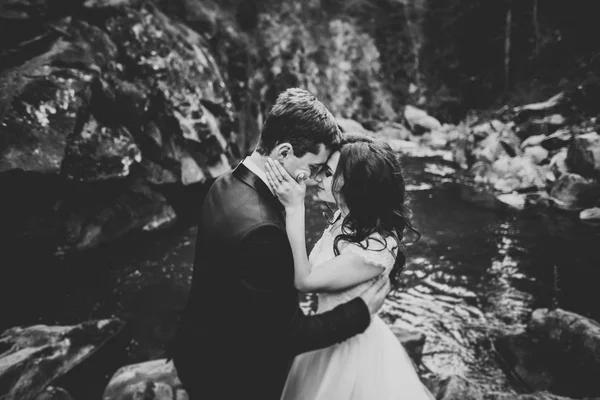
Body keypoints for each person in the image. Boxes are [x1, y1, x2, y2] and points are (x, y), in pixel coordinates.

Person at [168, 88, 391, 400]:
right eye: (314, 168)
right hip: (232, 377)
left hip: (199, 348)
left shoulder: (224, 184)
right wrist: (359, 314)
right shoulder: (263, 231)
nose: (315, 180)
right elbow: (287, 334)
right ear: (284, 152)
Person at [264, 133, 436, 400]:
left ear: (356, 185)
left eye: (328, 173)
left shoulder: (375, 248)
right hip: (324, 335)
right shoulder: (345, 219)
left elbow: (304, 281)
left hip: (349, 353)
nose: (317, 178)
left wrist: (295, 208)